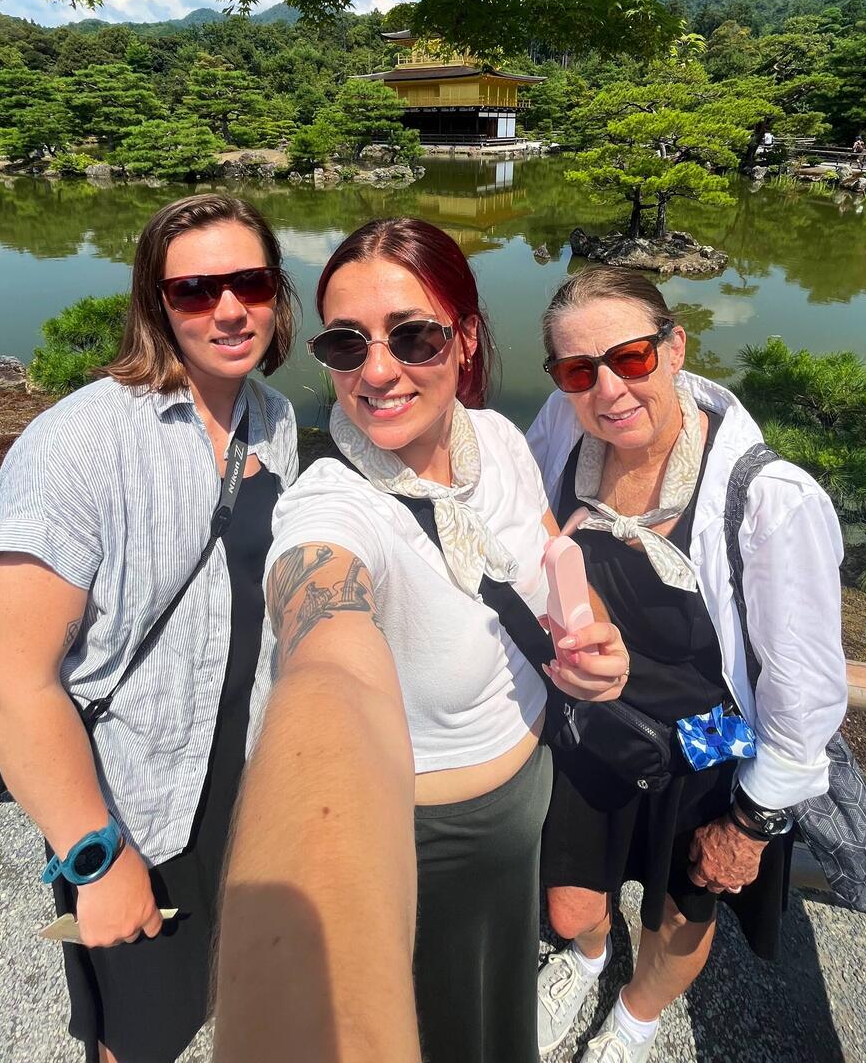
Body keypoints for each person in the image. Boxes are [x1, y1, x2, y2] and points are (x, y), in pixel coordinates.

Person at [230, 217, 629, 1063]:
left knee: (492, 1013)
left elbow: (549, 549)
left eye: (413, 335)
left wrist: (593, 633)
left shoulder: (499, 441)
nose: (377, 371)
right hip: (420, 841)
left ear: (467, 336)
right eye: (346, 344)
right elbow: (324, 652)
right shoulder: (332, 505)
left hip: (527, 793)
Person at [0, 193, 299, 1063]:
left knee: (229, 982)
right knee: (140, 1027)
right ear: (157, 305)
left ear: (277, 292)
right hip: (135, 799)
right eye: (196, 291)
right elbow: (17, 684)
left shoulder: (272, 416)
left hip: (243, 777)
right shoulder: (77, 445)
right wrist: (94, 853)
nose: (230, 309)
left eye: (250, 282)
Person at [527, 267, 847, 1063]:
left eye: (629, 357)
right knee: (570, 903)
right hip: (591, 731)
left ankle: (636, 1018)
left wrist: (751, 824)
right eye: (578, 371)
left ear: (674, 348)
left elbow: (804, 687)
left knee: (679, 914)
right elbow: (516, 520)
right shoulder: (564, 434)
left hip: (703, 755)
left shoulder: (769, 497)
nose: (606, 390)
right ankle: (587, 959)